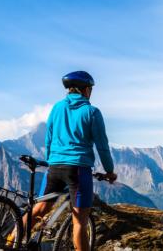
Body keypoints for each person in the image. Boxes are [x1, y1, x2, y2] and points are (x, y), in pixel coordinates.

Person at [21, 71, 117, 251]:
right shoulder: (92, 112)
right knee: (80, 222)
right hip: (78, 170)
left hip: (54, 167)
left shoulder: (57, 108)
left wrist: (52, 160)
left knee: (39, 209)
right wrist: (110, 171)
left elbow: (48, 138)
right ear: (86, 90)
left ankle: (10, 241)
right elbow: (102, 146)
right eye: (91, 89)